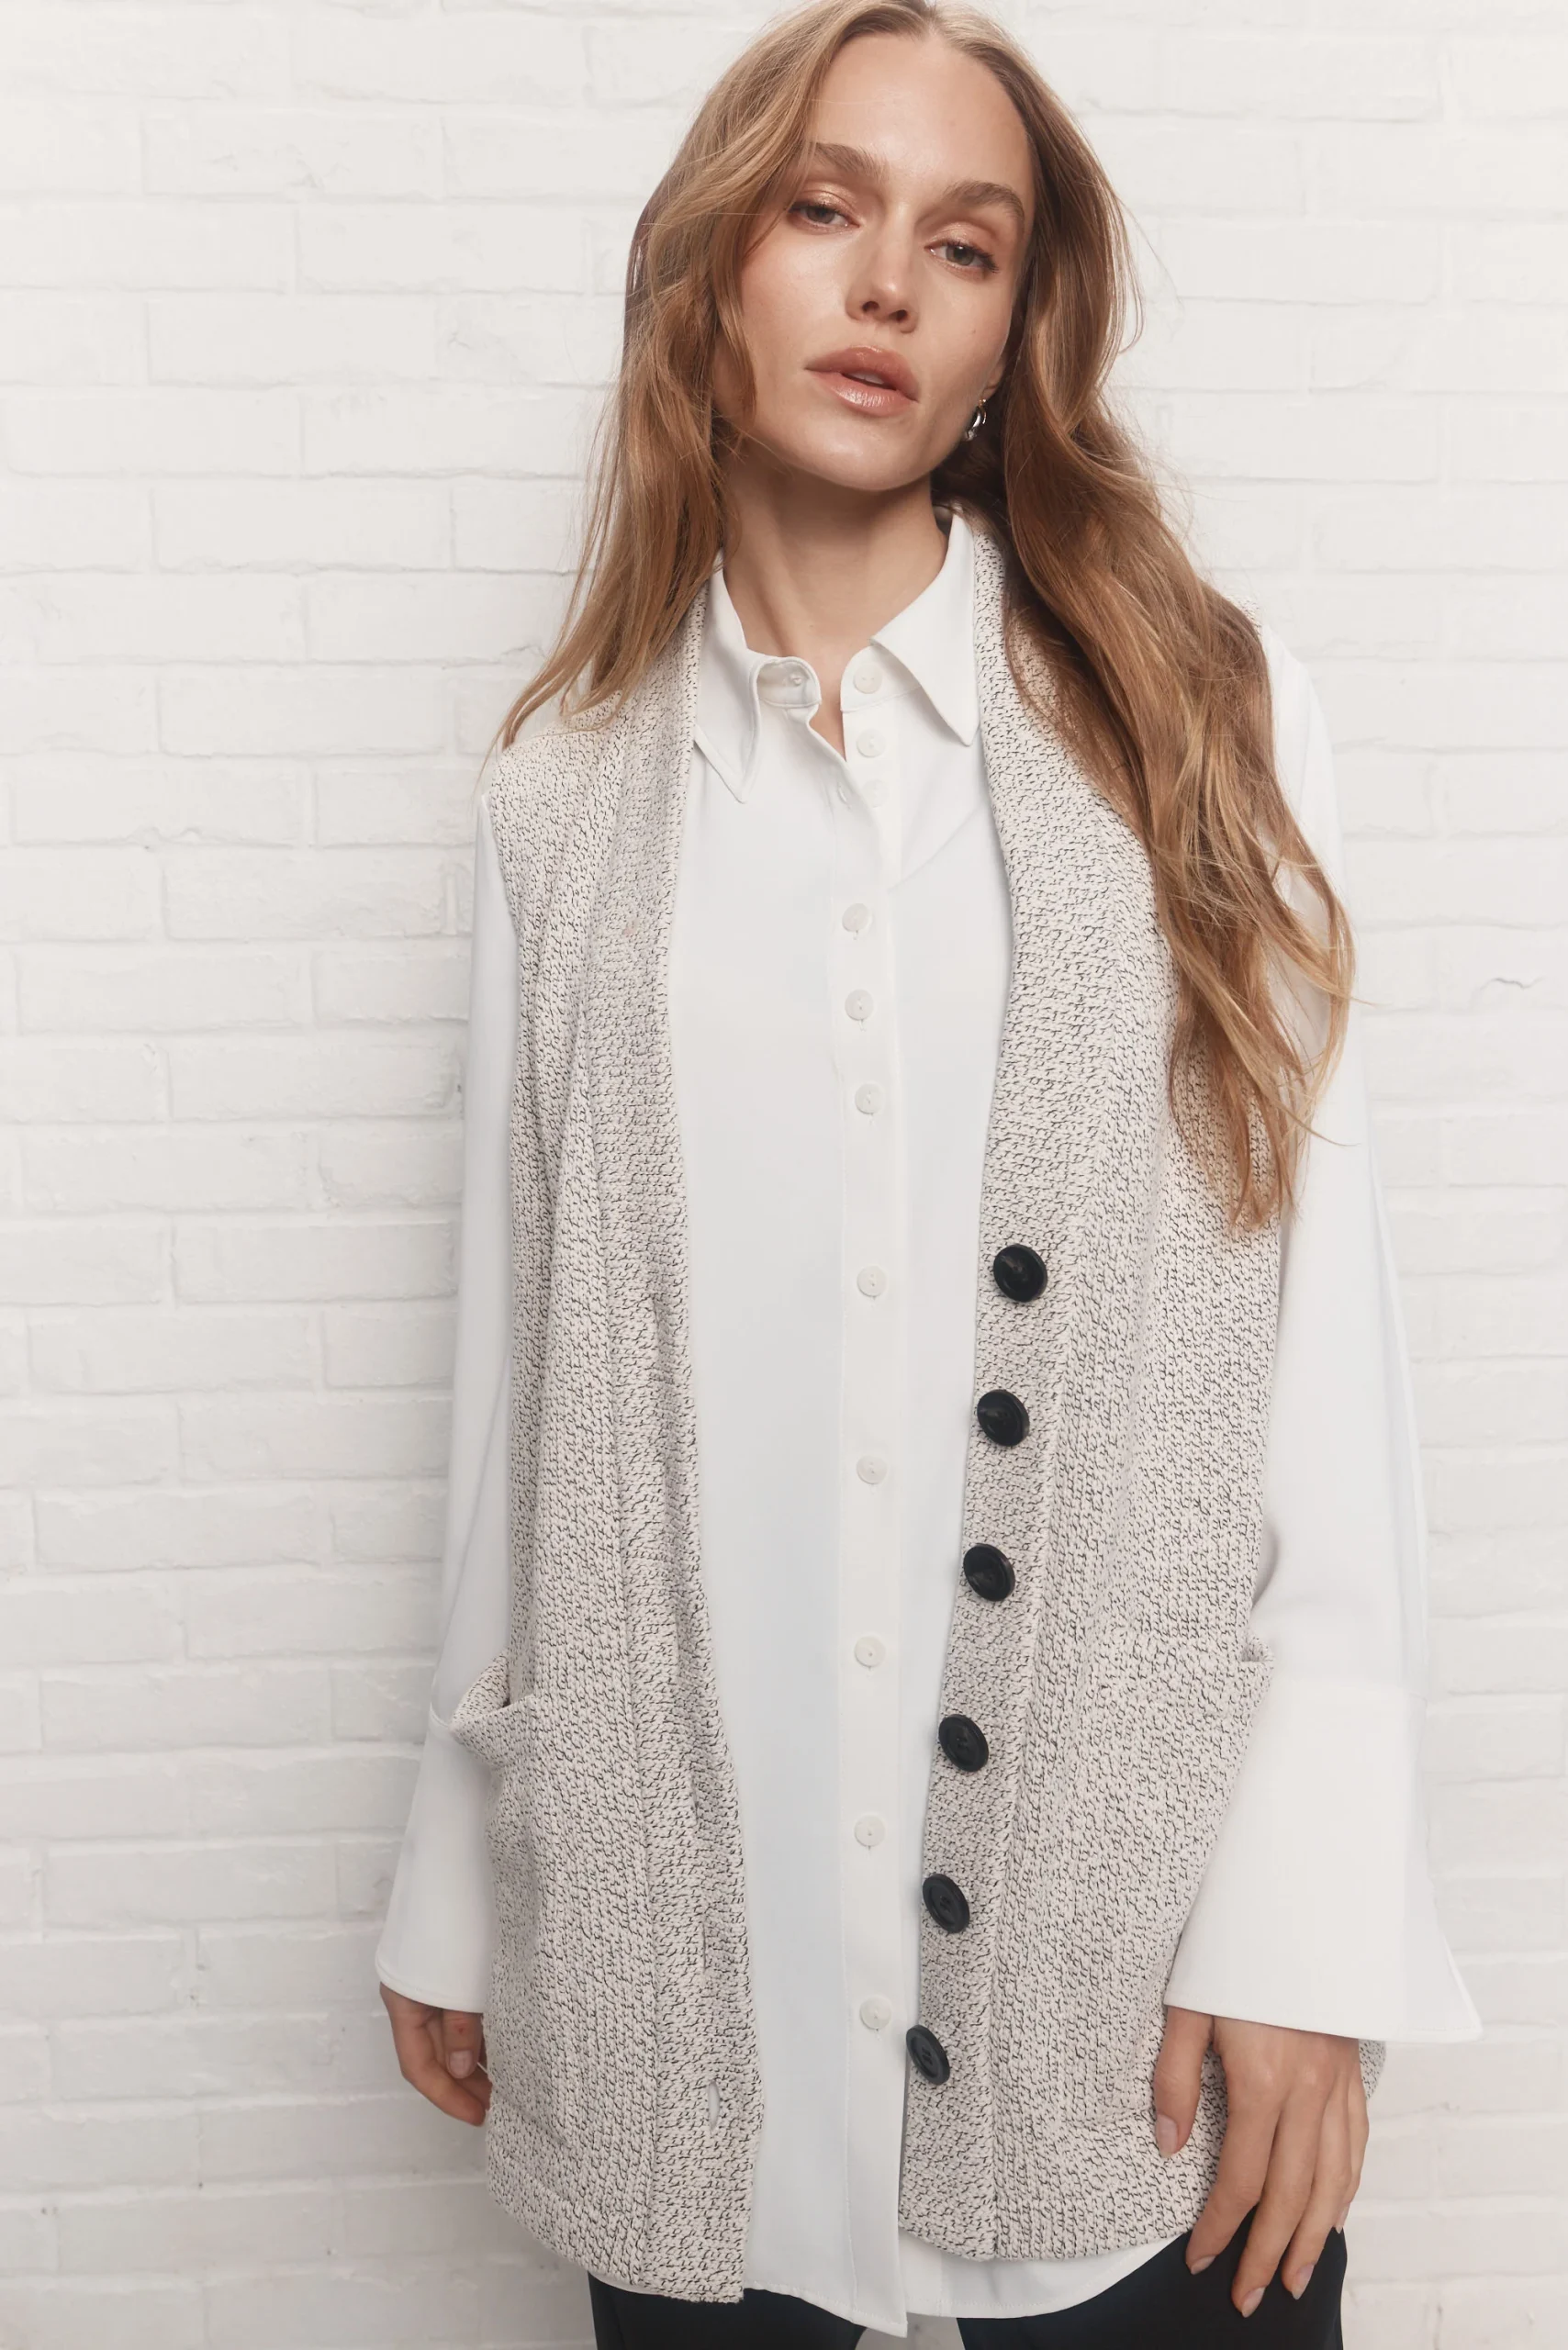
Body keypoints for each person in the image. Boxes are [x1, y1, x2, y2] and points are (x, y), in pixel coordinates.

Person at [373, 5, 1480, 2344]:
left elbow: (1324, 1364)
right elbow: (517, 1390)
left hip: (1124, 1979)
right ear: (711, 270)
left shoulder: (1198, 714)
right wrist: (454, 1871)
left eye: (961, 246)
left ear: (1004, 338)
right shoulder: (558, 805)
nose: (885, 284)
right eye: (821, 210)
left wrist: (1306, 1924)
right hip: (693, 1968)